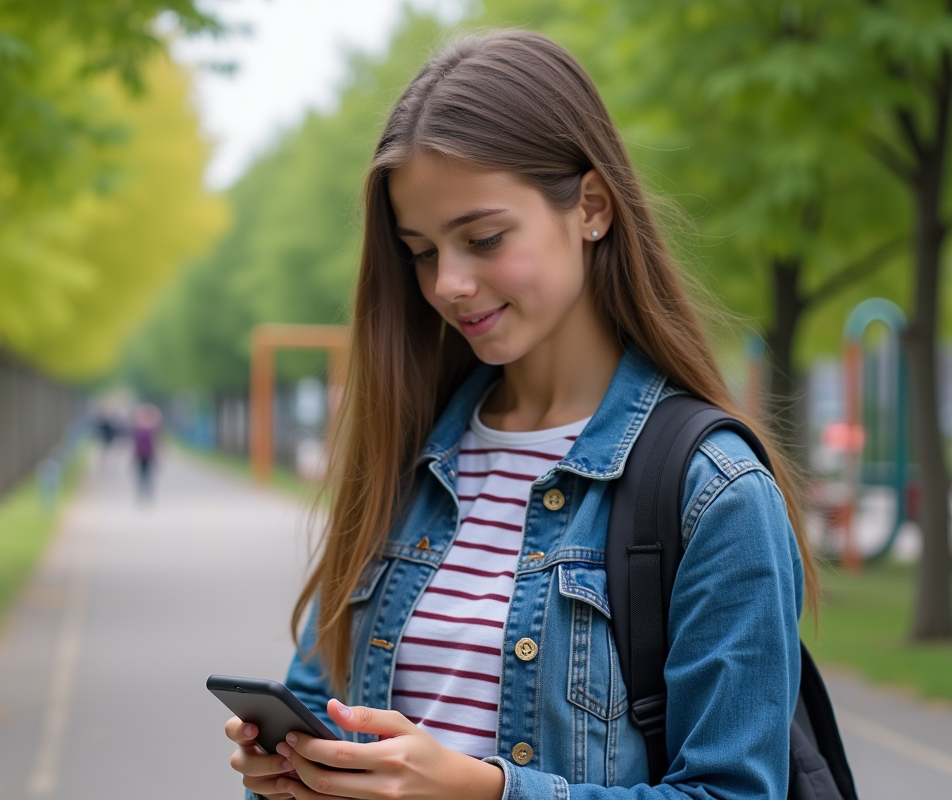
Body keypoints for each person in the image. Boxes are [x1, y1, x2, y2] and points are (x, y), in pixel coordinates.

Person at [225, 30, 815, 800]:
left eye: (482, 238)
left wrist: (489, 791)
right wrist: (288, 773)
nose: (449, 285)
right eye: (422, 251)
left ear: (592, 208)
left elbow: (733, 792)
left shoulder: (713, 492)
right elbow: (326, 712)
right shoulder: (408, 457)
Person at [131, 404, 161, 499]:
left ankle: (148, 490)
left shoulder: (153, 426)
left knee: (148, 472)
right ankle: (141, 490)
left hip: (149, 453)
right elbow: (135, 441)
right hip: (140, 453)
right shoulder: (138, 426)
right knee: (140, 473)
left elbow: (157, 440)